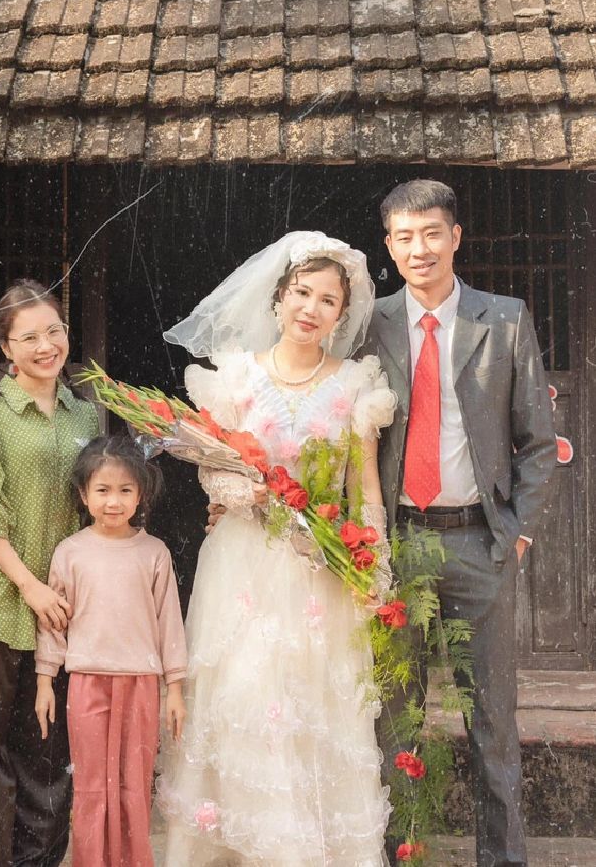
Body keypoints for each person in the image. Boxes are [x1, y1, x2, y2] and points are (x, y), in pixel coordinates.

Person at [156, 231, 398, 867]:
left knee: (309, 710)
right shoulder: (234, 378)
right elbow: (214, 471)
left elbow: (362, 485)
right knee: (242, 699)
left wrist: (371, 565)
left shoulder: (353, 385)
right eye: (302, 293)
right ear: (280, 297)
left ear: (342, 315)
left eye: (327, 300)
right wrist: (250, 494)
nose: (311, 308)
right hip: (241, 564)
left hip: (318, 573)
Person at [361, 180, 557, 867]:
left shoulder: (504, 320)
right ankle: (401, 857)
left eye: (432, 232)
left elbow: (537, 442)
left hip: (481, 543)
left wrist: (519, 532)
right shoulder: (370, 324)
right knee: (399, 723)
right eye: (405, 237)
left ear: (456, 236)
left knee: (492, 724)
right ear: (389, 246)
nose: (420, 248)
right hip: (400, 545)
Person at [0, 279, 99, 867]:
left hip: (60, 610)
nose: (46, 345)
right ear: (6, 348)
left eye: (54, 331)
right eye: (29, 336)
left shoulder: (84, 413)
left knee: (48, 752)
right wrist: (30, 586)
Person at [35, 434, 187, 867]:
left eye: (125, 490)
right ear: (84, 495)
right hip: (85, 684)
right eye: (102, 490)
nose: (113, 502)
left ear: (141, 494)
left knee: (134, 787)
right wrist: (46, 680)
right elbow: (54, 623)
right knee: (91, 786)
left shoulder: (155, 554)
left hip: (141, 685)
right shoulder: (70, 553)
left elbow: (168, 623)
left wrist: (174, 688)